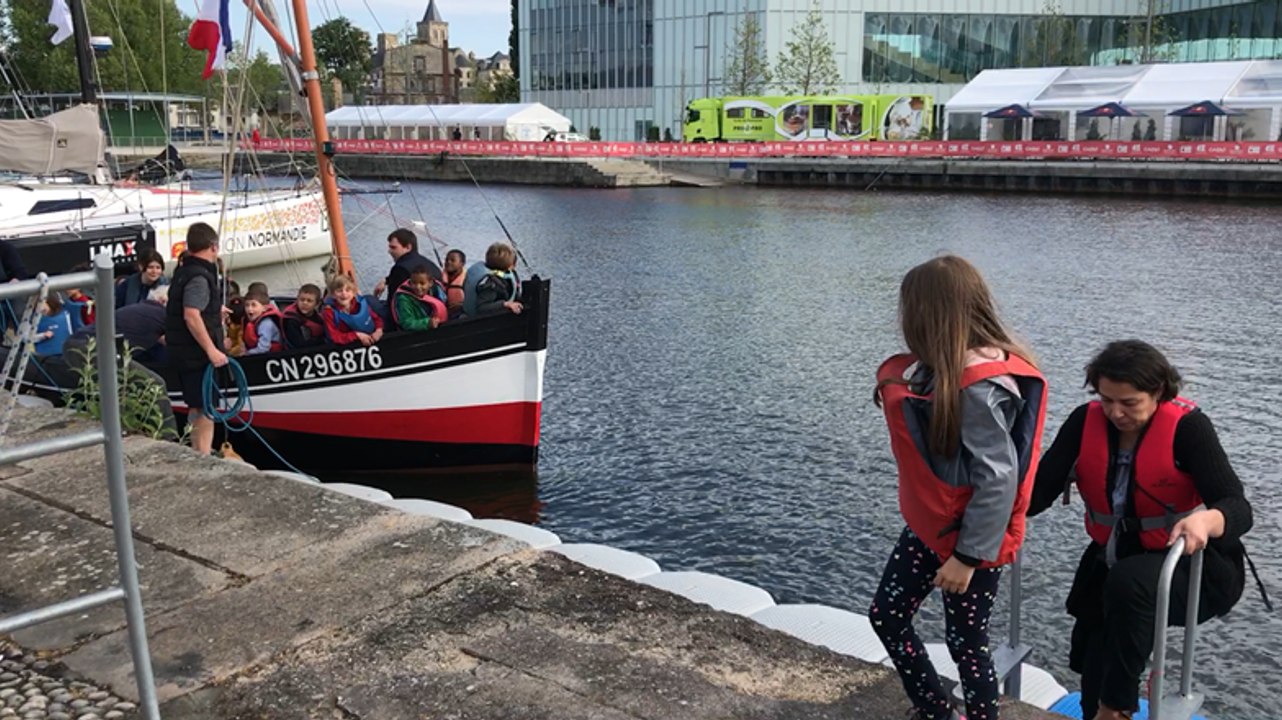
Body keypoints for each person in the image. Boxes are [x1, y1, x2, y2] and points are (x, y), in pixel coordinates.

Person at [1029, 340, 1257, 720]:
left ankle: (1116, 708)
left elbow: (1238, 507)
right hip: (1115, 560)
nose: (1116, 413)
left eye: (1129, 403)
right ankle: (1099, 707)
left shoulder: (1188, 429)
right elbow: (1037, 493)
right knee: (1095, 656)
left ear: (1158, 393)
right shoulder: (1084, 423)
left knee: (1129, 583)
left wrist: (1206, 519)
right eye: (1106, 400)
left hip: (1192, 568)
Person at [869, 255, 1048, 720]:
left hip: (970, 541)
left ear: (925, 314)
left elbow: (998, 478)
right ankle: (934, 709)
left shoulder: (980, 388)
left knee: (966, 642)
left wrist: (967, 558)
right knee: (887, 614)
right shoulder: (938, 368)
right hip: (932, 526)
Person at [165, 222, 228, 456]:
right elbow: (191, 315)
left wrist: (214, 311)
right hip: (196, 355)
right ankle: (202, 455)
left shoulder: (183, 272)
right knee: (204, 408)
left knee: (197, 405)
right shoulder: (200, 277)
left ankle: (198, 451)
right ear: (213, 247)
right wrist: (212, 350)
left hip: (183, 352)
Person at [373, 228, 441, 310]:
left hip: (412, 313)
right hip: (435, 309)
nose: (389, 251)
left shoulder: (400, 269)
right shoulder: (429, 264)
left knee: (368, 301)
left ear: (408, 247)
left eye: (393, 247)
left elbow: (392, 303)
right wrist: (386, 280)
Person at [322, 275, 383, 347]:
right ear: (333, 295)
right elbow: (334, 337)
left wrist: (379, 330)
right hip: (346, 346)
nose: (344, 293)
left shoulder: (360, 304)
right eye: (339, 291)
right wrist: (356, 335)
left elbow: (376, 319)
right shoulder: (329, 312)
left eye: (347, 290)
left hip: (370, 339)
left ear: (353, 293)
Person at [472, 242, 523, 316]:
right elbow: (481, 307)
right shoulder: (491, 283)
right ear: (510, 265)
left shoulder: (509, 275)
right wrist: (505, 304)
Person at [392, 265, 448, 331]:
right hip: (416, 332)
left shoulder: (436, 290)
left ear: (430, 283)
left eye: (422, 283)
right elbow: (406, 322)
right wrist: (427, 323)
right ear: (410, 282)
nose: (418, 287)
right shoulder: (403, 299)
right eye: (414, 283)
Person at [282, 284, 326, 349]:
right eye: (302, 300)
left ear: (317, 304)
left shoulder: (320, 318)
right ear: (297, 300)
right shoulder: (291, 319)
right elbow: (299, 345)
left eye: (309, 301)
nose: (305, 303)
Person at [241, 289, 284, 355]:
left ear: (264, 308)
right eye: (247, 305)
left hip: (273, 355)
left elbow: (263, 348)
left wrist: (245, 354)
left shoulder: (266, 324)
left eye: (253, 305)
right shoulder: (253, 320)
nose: (249, 309)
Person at [441, 249, 467, 318]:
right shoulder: (439, 278)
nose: (448, 262)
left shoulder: (467, 280)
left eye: (452, 260)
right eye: (446, 260)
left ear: (462, 264)